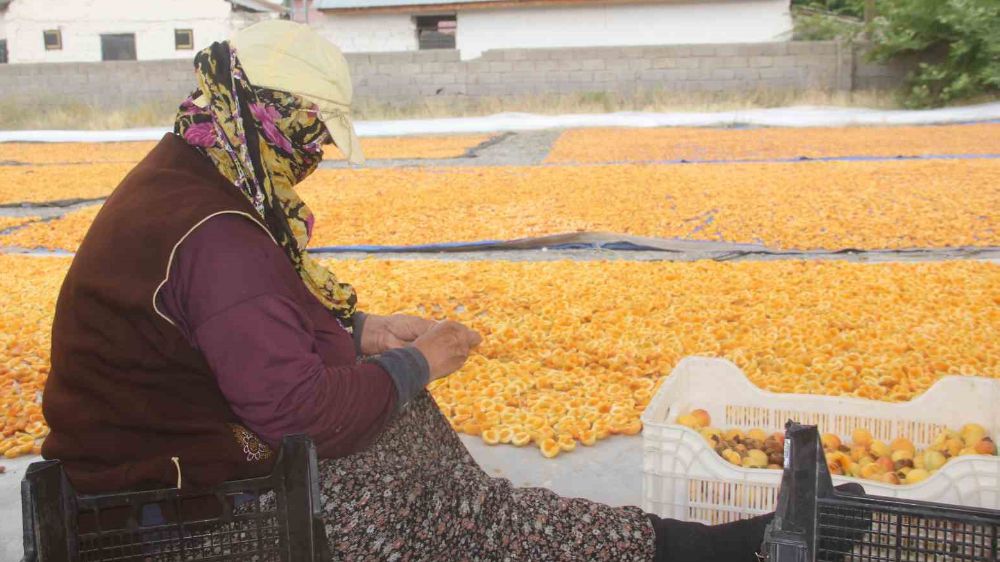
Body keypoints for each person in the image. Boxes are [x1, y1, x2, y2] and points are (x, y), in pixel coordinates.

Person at [41, 20, 814, 561]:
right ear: (273, 120)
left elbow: (232, 336)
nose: (318, 152)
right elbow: (299, 416)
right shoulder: (218, 232)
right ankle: (688, 548)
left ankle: (529, 529)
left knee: (425, 457)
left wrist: (364, 335)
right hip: (175, 521)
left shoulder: (196, 172)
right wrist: (419, 364)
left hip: (183, 455)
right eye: (313, 132)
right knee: (421, 492)